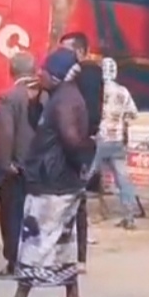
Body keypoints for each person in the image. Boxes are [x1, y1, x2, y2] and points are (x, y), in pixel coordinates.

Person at [0, 48, 95, 297]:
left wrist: (79, 161)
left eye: (44, 72)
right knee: (63, 244)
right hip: (61, 181)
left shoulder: (63, 102)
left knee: (34, 242)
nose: (39, 75)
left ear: (56, 75)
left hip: (52, 184)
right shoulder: (61, 97)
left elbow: (71, 140)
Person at [0, 52, 41, 279]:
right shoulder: (45, 95)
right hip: (40, 166)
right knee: (36, 214)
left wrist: (4, 163)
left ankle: (14, 262)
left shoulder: (9, 98)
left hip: (16, 168)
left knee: (11, 215)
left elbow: (5, 134)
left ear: (11, 70)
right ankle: (35, 260)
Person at [58, 32, 103, 271]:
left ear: (78, 51)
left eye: (66, 50)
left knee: (75, 201)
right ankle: (73, 256)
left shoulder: (87, 74)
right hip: (76, 142)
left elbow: (91, 111)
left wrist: (82, 137)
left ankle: (76, 256)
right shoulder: (76, 75)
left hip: (77, 144)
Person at [95, 58, 140, 230]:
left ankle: (72, 219)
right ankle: (129, 216)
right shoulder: (123, 91)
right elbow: (133, 114)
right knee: (123, 180)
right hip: (117, 140)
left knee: (83, 177)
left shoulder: (98, 90)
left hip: (99, 139)